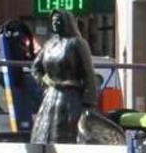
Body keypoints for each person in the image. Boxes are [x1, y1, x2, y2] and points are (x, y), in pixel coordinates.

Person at [30, 9, 97, 144]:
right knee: (45, 135)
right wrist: (45, 83)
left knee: (68, 137)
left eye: (59, 20)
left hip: (71, 98)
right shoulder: (49, 45)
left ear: (67, 22)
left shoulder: (77, 43)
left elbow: (89, 74)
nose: (55, 23)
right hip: (50, 97)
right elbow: (35, 68)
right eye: (53, 21)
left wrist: (88, 103)